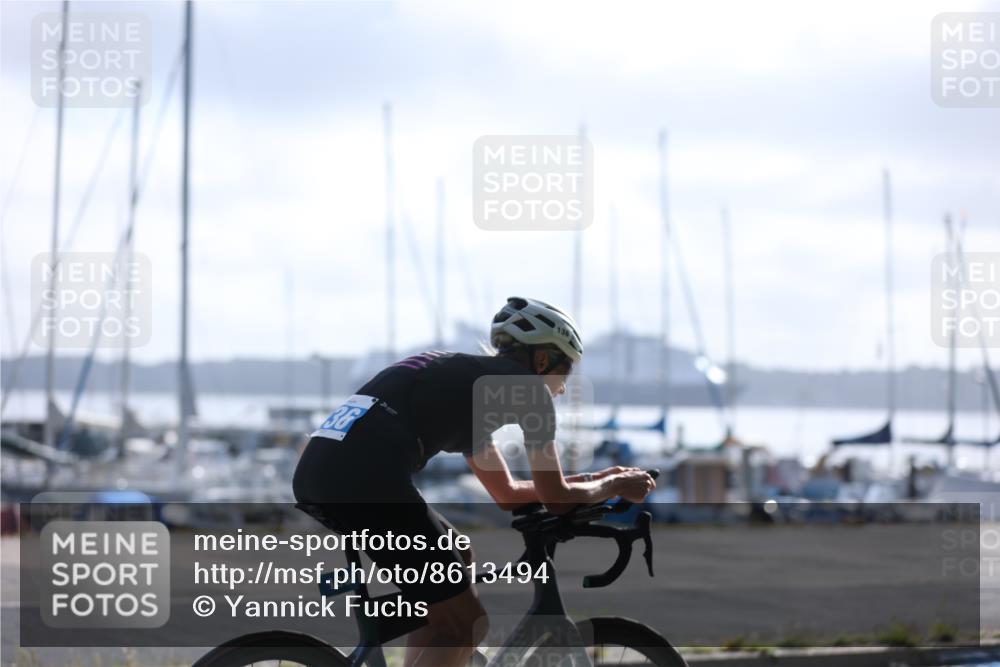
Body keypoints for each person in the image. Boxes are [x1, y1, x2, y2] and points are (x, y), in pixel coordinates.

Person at [292, 296, 657, 667]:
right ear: (543, 360)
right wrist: (612, 486)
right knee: (467, 623)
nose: (562, 388)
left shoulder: (466, 384)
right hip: (364, 481)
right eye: (566, 372)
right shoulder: (528, 392)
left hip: (322, 472)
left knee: (458, 559)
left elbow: (507, 492)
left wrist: (599, 478)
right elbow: (558, 499)